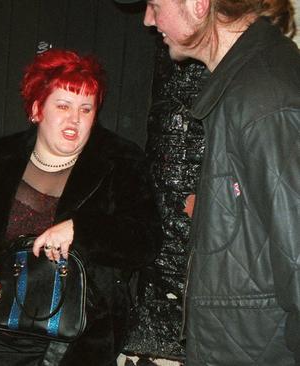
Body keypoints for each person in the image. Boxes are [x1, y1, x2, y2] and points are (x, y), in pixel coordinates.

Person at [0, 49, 160, 366]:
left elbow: (146, 240)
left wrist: (80, 229)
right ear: (37, 109)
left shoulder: (120, 163)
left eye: (85, 109)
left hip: (75, 337)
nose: (75, 118)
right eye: (63, 105)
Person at [115, 0, 300, 364]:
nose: (149, 19)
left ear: (197, 4)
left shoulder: (264, 96)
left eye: (154, 4)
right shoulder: (247, 85)